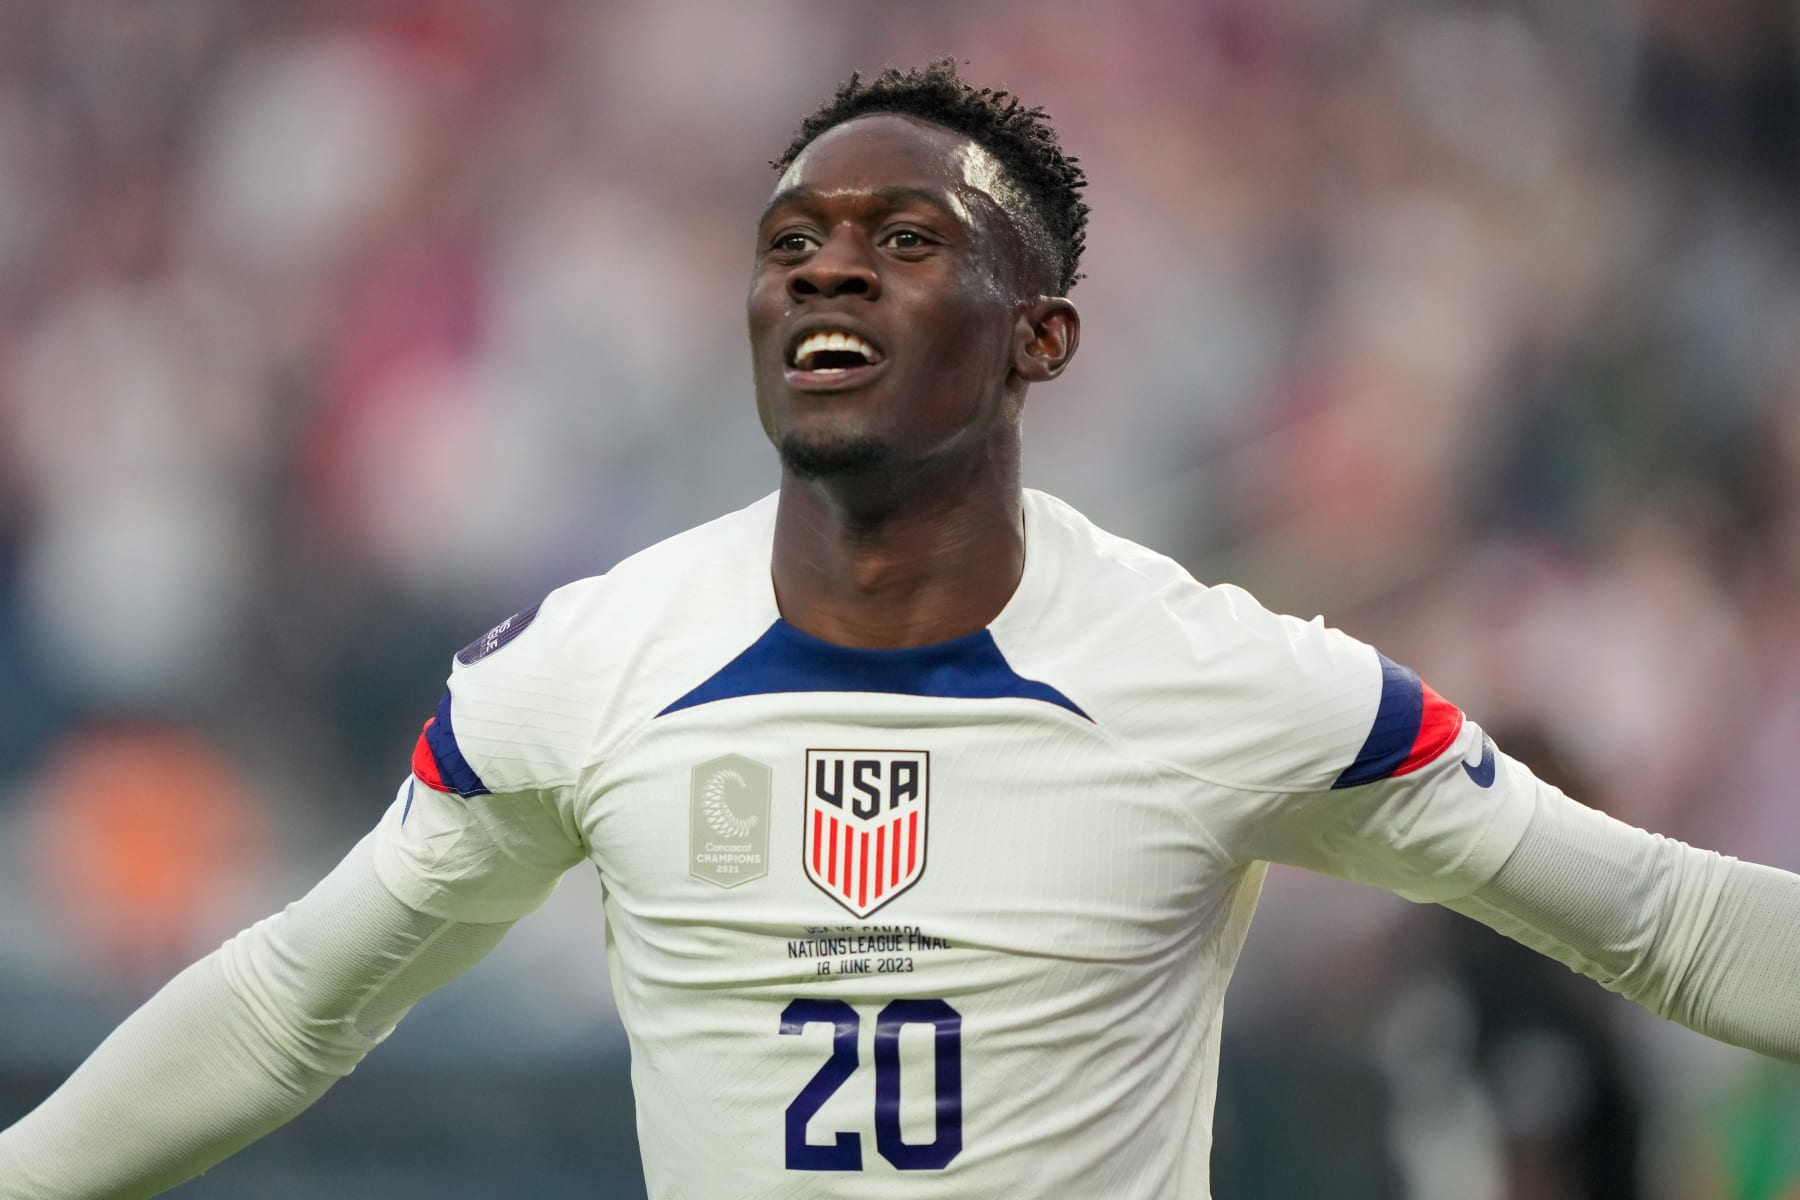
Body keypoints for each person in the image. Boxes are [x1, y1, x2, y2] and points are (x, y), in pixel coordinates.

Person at [2, 59, 1798, 1200]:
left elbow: (1661, 921)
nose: (827, 269)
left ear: (1042, 335)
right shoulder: (586, 667)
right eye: (792, 239)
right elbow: (290, 1009)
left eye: (906, 237)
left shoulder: (1231, 681)